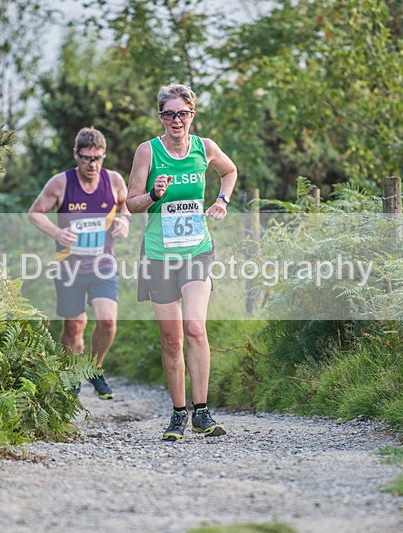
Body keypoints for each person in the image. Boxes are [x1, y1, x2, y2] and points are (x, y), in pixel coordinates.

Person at [126, 84, 238, 440]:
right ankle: (178, 413)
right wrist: (153, 195)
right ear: (161, 116)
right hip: (159, 255)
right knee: (171, 338)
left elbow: (230, 171)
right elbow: (131, 203)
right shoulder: (148, 151)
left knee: (195, 327)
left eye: (183, 113)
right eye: (169, 114)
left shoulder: (204, 148)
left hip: (197, 250)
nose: (177, 120)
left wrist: (221, 200)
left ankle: (202, 412)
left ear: (192, 115)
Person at [29, 127, 131, 399]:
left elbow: (125, 206)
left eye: (98, 158)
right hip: (69, 266)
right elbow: (35, 213)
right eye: (86, 158)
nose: (92, 164)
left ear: (104, 156)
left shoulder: (114, 181)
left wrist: (124, 221)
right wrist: (57, 232)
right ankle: (71, 373)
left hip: (103, 264)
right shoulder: (61, 183)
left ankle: (94, 368)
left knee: (108, 321)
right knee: (73, 327)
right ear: (76, 155)